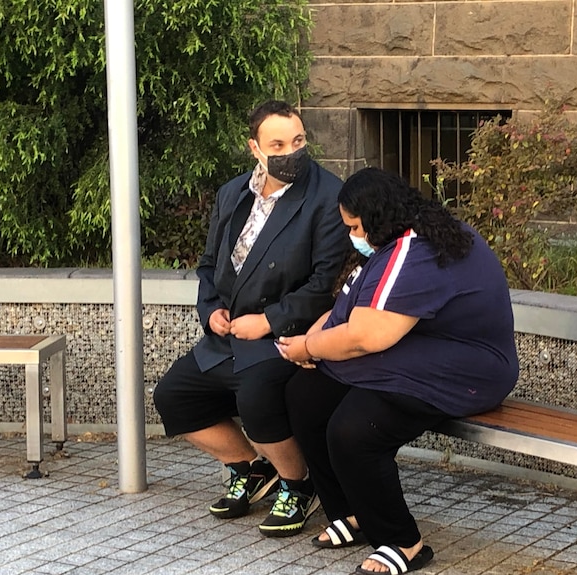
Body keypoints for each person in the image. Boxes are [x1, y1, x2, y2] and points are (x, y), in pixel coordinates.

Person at [276, 167, 520, 574]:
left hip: (470, 370)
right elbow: (345, 310)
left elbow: (365, 337)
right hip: (423, 353)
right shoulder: (398, 241)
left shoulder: (416, 251)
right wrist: (312, 346)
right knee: (307, 395)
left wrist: (307, 346)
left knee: (353, 430)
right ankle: (353, 513)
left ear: (375, 219)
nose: (351, 235)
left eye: (354, 227)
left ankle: (403, 543)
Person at [153, 100, 349, 537]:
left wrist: (269, 321)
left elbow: (323, 285)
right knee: (173, 397)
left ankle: (299, 485)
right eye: (277, 143)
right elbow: (208, 265)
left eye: (297, 140)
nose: (291, 150)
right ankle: (249, 468)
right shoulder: (233, 193)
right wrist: (211, 313)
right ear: (254, 149)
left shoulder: (327, 197)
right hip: (228, 333)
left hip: (283, 335)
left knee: (256, 398)